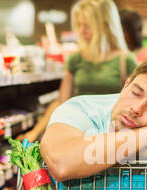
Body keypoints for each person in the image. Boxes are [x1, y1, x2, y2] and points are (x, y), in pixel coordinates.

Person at [18, 0, 137, 142]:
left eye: (87, 25)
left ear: (105, 26)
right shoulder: (76, 58)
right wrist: (34, 133)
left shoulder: (126, 61)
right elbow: (61, 101)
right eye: (79, 25)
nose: (81, 30)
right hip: (78, 133)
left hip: (110, 137)